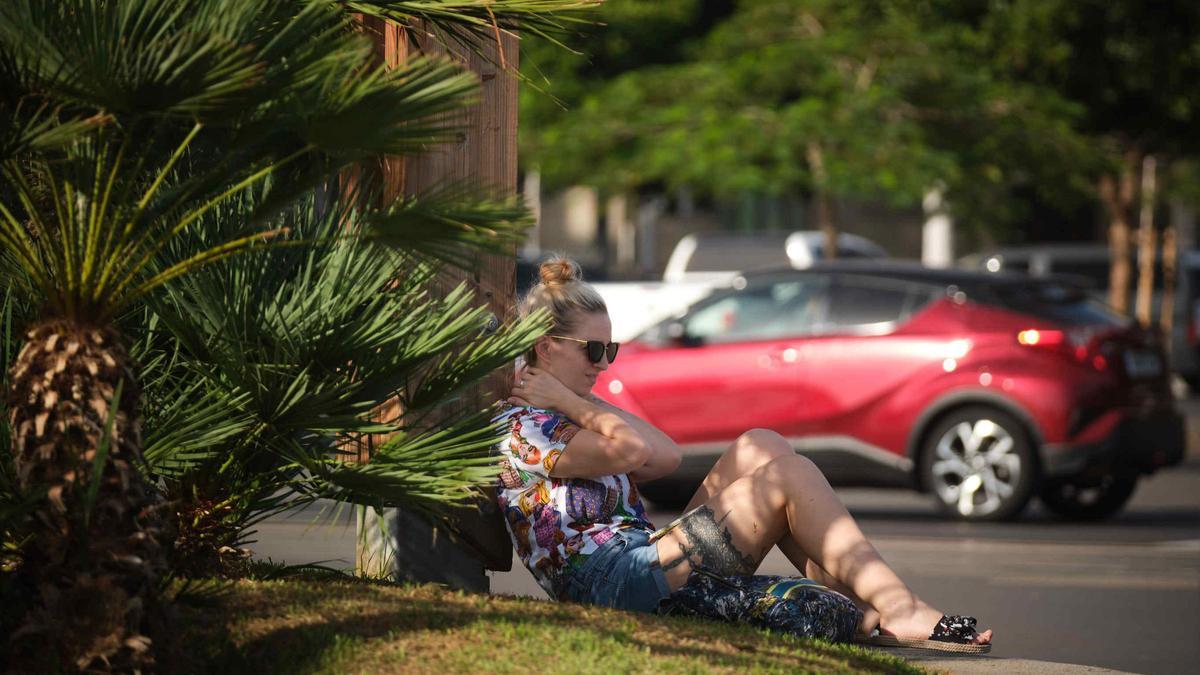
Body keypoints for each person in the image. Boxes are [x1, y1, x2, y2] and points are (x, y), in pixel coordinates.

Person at [495, 257, 993, 653]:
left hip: (644, 561)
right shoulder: (523, 429)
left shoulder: (568, 412)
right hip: (614, 586)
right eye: (592, 351)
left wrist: (581, 399)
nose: (603, 364)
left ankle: (869, 603)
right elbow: (633, 449)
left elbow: (664, 457)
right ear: (544, 347)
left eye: (612, 350)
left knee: (764, 445)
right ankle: (899, 606)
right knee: (787, 476)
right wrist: (571, 400)